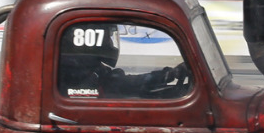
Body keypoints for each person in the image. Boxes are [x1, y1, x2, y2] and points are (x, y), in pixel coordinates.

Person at [57, 23, 190, 100]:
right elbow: (124, 85)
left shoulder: (92, 69)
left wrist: (168, 75)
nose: (110, 41)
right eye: (108, 37)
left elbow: (124, 83)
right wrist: (167, 75)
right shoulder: (76, 73)